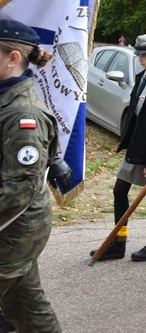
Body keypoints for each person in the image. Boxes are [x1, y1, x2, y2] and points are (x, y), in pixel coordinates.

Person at [0, 19, 71, 332]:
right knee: (27, 307)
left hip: (16, 226)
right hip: (15, 227)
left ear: (13, 58)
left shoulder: (23, 114)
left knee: (25, 305)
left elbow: (20, 189)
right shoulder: (6, 100)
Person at [92, 34, 146, 262]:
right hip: (136, 147)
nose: (139, 59)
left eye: (143, 56)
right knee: (120, 191)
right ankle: (118, 243)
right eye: (138, 55)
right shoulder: (143, 77)